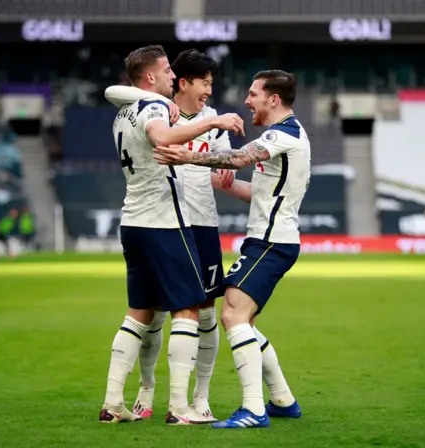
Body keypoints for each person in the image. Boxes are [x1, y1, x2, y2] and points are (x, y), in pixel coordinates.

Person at [154, 70, 309, 429]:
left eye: (253, 94)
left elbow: (239, 157)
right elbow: (256, 191)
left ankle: (254, 410)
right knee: (245, 320)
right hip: (269, 239)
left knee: (232, 316)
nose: (247, 100)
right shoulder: (288, 137)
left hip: (272, 242)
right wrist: (217, 182)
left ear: (273, 99)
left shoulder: (281, 134)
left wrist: (187, 157)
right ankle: (282, 399)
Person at [98, 45, 244, 426]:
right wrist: (212, 124)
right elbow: (163, 138)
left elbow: (119, 95)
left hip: (133, 221)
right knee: (188, 308)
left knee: (140, 312)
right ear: (151, 78)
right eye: (165, 72)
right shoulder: (154, 109)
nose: (170, 77)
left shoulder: (123, 113)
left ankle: (113, 404)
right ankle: (179, 408)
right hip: (163, 222)